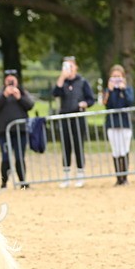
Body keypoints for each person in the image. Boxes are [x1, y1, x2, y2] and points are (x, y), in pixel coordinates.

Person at [51, 56, 96, 188]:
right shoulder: (62, 82)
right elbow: (55, 94)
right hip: (64, 117)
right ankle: (66, 176)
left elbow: (91, 99)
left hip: (78, 117)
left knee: (78, 145)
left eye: (71, 66)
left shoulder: (82, 82)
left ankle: (80, 174)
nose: (69, 69)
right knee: (65, 147)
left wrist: (85, 103)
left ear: (75, 67)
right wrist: (61, 78)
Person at [0, 69, 34, 189]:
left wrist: (19, 97)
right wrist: (5, 95)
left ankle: (22, 181)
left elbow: (30, 105)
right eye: (8, 78)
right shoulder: (0, 93)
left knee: (20, 157)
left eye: (13, 78)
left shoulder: (23, 92)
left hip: (20, 131)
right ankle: (4, 182)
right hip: (3, 131)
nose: (10, 81)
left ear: (17, 80)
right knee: (5, 158)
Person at [102, 64, 135, 186]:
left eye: (118, 76)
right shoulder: (108, 91)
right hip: (112, 123)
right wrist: (110, 91)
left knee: (124, 149)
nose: (116, 79)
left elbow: (130, 102)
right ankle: (118, 178)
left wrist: (123, 89)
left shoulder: (127, 89)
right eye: (114, 76)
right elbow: (106, 104)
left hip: (124, 123)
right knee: (116, 150)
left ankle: (125, 177)